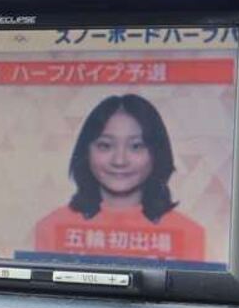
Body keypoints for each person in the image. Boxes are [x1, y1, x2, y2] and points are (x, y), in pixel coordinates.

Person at [34, 94, 205, 262]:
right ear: (86, 152)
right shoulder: (52, 228)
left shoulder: (188, 234)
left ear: (157, 153)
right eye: (105, 145)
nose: (119, 161)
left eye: (136, 146)